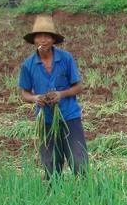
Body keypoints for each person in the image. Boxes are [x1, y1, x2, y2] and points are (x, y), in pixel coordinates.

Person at [19, 15, 88, 178]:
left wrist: (61, 94)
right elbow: (24, 92)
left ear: (53, 39)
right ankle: (54, 196)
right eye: (39, 36)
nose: (43, 40)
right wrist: (36, 98)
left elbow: (78, 87)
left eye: (47, 36)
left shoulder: (65, 58)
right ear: (34, 39)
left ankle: (85, 195)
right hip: (46, 120)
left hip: (69, 117)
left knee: (79, 161)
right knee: (50, 165)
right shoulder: (28, 65)